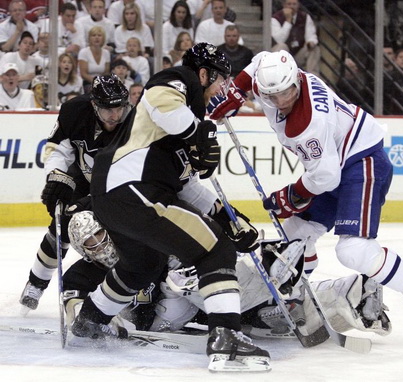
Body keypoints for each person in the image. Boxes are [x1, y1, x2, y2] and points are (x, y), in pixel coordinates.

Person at [207, 49, 403, 339]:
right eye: (271, 97)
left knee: (352, 250)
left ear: (296, 80)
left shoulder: (306, 124)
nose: (280, 102)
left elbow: (325, 176)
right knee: (294, 235)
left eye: (286, 93)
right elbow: (262, 58)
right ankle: (295, 299)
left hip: (362, 162)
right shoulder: (277, 78)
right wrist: (238, 89)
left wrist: (290, 195)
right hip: (336, 162)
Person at [74, 42, 270, 372]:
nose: (222, 88)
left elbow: (188, 187)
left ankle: (90, 320)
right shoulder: (180, 80)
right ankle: (226, 335)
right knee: (214, 248)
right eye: (221, 79)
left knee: (142, 266)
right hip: (133, 189)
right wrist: (199, 133)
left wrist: (229, 217)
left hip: (113, 196)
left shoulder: (178, 122)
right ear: (205, 73)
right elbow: (157, 96)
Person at [64, 209, 391, 339]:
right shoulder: (83, 271)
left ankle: (349, 289)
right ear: (81, 249)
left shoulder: (134, 241)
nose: (99, 245)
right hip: (160, 316)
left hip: (187, 300)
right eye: (90, 243)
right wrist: (102, 325)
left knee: (198, 284)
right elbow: (73, 306)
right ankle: (274, 295)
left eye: (100, 235)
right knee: (181, 294)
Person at [18, 74, 131, 313]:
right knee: (60, 225)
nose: (115, 115)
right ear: (93, 105)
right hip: (83, 177)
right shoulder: (74, 111)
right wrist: (57, 176)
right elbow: (58, 148)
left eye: (119, 108)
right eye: (108, 110)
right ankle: (36, 284)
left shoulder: (135, 122)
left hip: (118, 186)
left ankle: (120, 288)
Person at [271, 0, 320, 75]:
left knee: (314, 48)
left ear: (298, 5)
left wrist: (311, 42)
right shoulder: (275, 18)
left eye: (294, 4)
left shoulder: (305, 17)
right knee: (281, 46)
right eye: (289, 4)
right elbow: (280, 40)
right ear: (284, 5)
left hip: (298, 53)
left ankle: (313, 78)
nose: (291, 6)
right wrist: (288, 20)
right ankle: (279, 75)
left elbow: (311, 35)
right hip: (282, 54)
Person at [78, 26, 111, 93]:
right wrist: (96, 82)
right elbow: (83, 74)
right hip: (87, 82)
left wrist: (101, 82)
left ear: (103, 38)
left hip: (102, 83)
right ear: (89, 38)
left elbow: (106, 72)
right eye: (94, 35)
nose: (96, 38)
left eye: (99, 35)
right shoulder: (84, 52)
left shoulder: (106, 53)